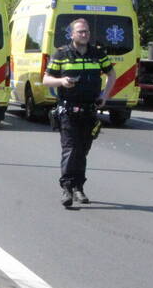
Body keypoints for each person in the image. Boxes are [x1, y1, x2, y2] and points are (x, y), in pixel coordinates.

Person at [42, 18, 116, 207]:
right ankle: (67, 188)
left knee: (83, 150)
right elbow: (46, 79)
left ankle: (78, 188)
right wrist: (62, 81)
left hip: (90, 109)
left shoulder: (97, 54)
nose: (84, 35)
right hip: (68, 109)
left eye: (87, 32)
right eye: (81, 32)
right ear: (72, 34)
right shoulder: (61, 54)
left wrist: (104, 96)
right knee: (70, 149)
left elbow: (111, 74)